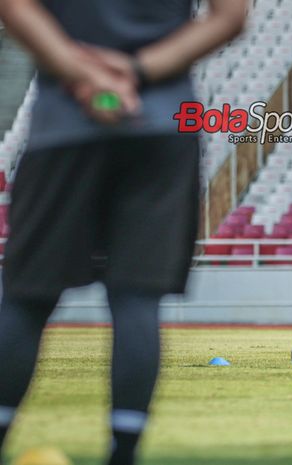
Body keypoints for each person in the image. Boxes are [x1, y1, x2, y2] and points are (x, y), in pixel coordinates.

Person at [0, 1, 247, 464]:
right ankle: (124, 453)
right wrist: (135, 70)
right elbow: (229, 17)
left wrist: (82, 73)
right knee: (136, 298)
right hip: (160, 125)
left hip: (65, 124)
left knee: (26, 297)